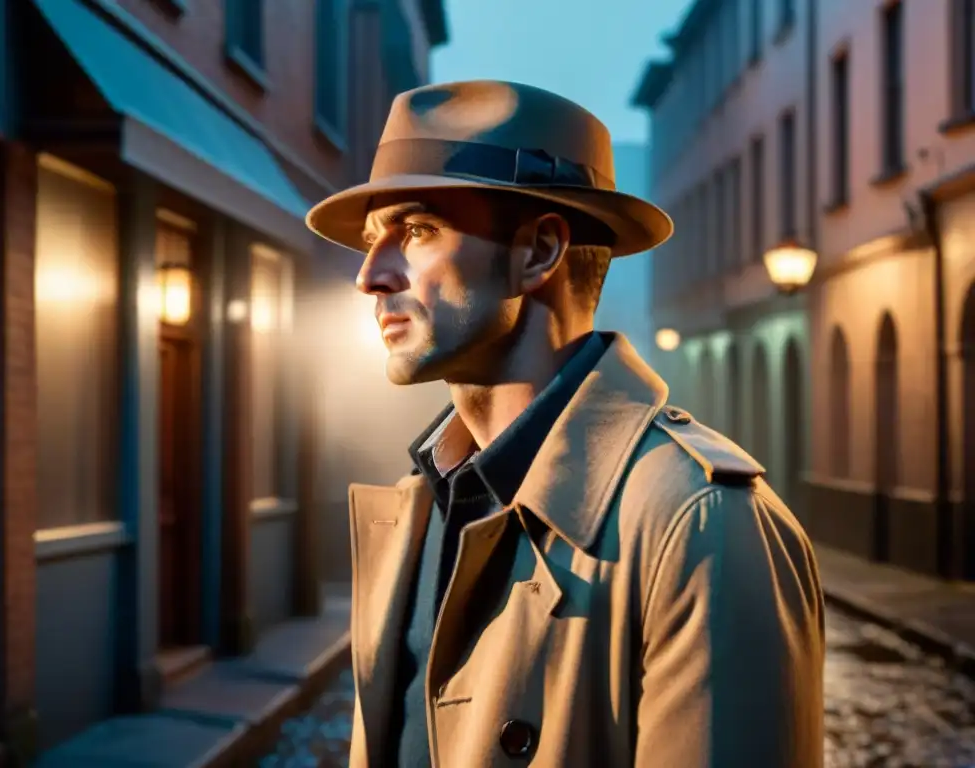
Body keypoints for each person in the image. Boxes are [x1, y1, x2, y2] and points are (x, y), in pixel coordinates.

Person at [306, 80, 825, 768]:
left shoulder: (699, 523)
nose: (370, 275)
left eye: (419, 229)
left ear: (539, 253)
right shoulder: (418, 506)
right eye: (373, 239)